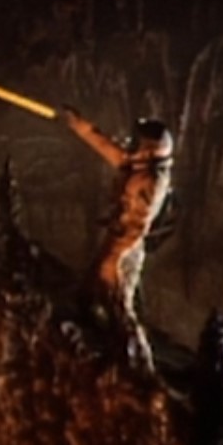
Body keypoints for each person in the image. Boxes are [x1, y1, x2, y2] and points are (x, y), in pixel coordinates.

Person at [60, 106, 174, 371]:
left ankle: (138, 366)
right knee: (89, 293)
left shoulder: (150, 181)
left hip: (125, 249)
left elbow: (136, 226)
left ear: (149, 150)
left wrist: (114, 258)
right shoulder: (139, 166)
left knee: (120, 308)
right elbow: (107, 147)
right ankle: (96, 345)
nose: (132, 144)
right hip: (117, 240)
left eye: (138, 142)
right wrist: (79, 125)